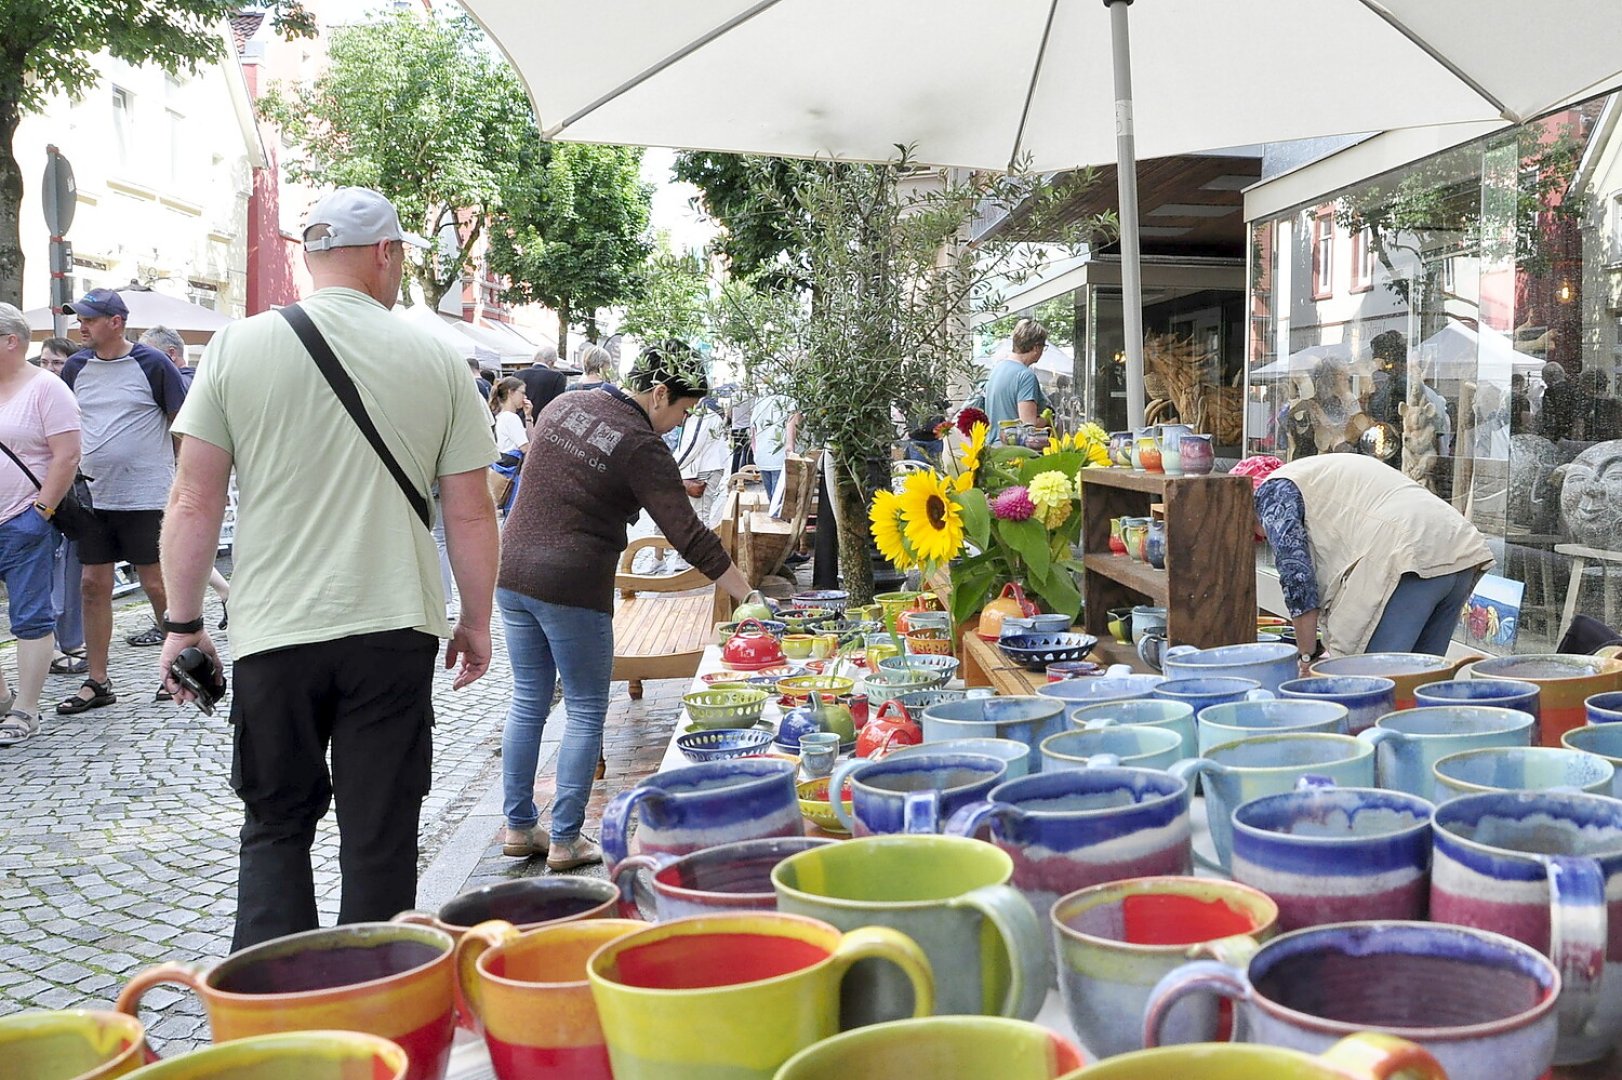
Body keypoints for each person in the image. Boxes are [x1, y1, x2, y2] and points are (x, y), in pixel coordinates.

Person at [158, 186, 499, 949]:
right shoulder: (436, 357)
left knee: (275, 826)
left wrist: (184, 625)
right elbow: (470, 511)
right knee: (380, 834)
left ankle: (273, 1017)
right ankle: (373, 1013)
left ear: (309, 257)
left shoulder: (237, 348)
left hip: (275, 629)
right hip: (392, 626)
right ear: (385, 254)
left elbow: (192, 499)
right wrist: (475, 621)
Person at [496, 340, 752, 869]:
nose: (680, 423)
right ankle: (566, 838)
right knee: (588, 707)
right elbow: (690, 536)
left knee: (528, 700)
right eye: (682, 410)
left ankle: (520, 828)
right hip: (572, 581)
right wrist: (748, 594)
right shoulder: (641, 442)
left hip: (512, 569)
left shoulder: (566, 404)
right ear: (659, 394)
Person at [56, 288, 187, 713]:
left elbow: (181, 424)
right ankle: (98, 681)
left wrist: (183, 479)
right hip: (92, 494)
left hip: (146, 494)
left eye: (89, 320)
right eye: (80, 319)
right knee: (93, 585)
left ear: (116, 322)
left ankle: (177, 669)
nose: (81, 327)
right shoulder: (75, 367)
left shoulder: (153, 364)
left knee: (154, 584)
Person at [1247, 454, 1493, 666]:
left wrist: (1307, 655)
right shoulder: (1315, 473)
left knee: (1369, 684)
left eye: (1259, 535)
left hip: (1406, 555)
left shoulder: (1270, 492)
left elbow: (1297, 578)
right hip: (1457, 546)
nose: (1264, 539)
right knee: (1420, 684)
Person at [0, 306, 81, 746]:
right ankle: (2, 699)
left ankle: (25, 710)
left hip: (23, 520)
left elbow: (68, 455)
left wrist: (41, 512)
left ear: (11, 340)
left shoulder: (46, 388)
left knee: (29, 615)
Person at [139, 326, 231, 628]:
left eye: (148, 354)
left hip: (179, 475)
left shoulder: (188, 383)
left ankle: (178, 618)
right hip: (175, 475)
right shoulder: (187, 381)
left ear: (170, 355)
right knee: (177, 541)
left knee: (175, 541)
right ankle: (218, 592)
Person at [37, 337, 85, 675]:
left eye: (57, 363)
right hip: (40, 496)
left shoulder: (75, 398)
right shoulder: (32, 396)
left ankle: (72, 641)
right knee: (47, 573)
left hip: (75, 500)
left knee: (75, 572)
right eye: (44, 362)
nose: (51, 369)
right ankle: (50, 645)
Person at [984, 318, 1050, 434]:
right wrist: (1049, 419)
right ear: (1036, 348)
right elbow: (1028, 424)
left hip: (993, 446)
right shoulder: (1026, 376)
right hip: (1015, 449)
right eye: (1043, 347)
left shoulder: (996, 370)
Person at [674, 394, 730, 528]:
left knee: (701, 517)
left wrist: (671, 468)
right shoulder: (702, 411)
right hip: (705, 467)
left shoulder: (701, 413)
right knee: (699, 516)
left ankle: (704, 549)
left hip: (704, 469)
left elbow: (692, 445)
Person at [751, 389, 799, 501]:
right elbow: (793, 422)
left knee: (773, 501)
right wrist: (791, 447)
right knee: (780, 503)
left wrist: (755, 453)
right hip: (781, 457)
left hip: (762, 456)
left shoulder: (760, 401)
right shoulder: (791, 400)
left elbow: (752, 430)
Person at [1537, 361, 1586, 441]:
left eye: (1544, 377)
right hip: (1571, 431)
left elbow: (1549, 416)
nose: (1543, 380)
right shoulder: (1573, 390)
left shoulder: (1550, 392)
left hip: (1557, 433)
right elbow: (1578, 415)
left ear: (1549, 377)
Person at [516, 343, 566, 419]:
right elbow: (558, 405)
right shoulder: (557, 377)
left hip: (520, 421)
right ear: (551, 362)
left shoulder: (517, 374)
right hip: (544, 422)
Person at [489, 376, 530, 456]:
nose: (525, 397)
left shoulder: (501, 416)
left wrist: (528, 416)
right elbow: (525, 448)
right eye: (522, 393)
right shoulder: (511, 418)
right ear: (511, 392)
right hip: (515, 465)